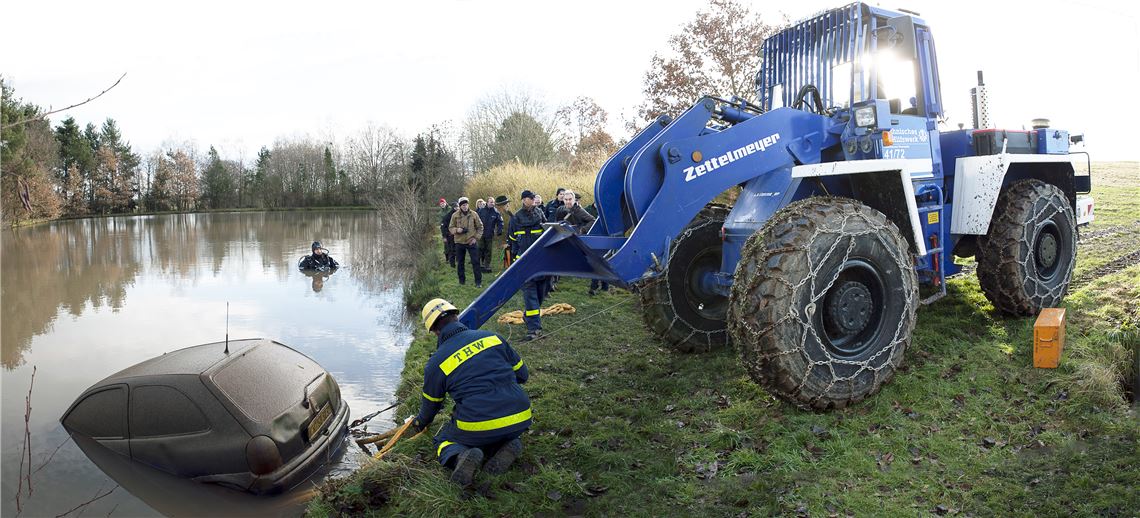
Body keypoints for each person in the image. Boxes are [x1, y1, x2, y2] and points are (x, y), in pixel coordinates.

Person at [414, 298, 531, 487]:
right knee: (495, 431)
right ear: (457, 316)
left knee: (442, 440)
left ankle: (460, 456)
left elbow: (431, 405)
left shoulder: (436, 363)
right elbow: (523, 375)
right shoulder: (493, 337)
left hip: (477, 422)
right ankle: (506, 444)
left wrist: (419, 423)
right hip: (521, 416)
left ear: (435, 331)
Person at [507, 190, 548, 341]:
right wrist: (514, 260)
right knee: (530, 295)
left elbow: (546, 234)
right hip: (523, 262)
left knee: (541, 292)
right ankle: (534, 328)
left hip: (540, 261)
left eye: (534, 197)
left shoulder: (540, 214)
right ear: (524, 200)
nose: (534, 199)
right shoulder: (516, 217)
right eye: (531, 198)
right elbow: (512, 238)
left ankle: (528, 316)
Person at [449, 197, 484, 287]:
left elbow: (480, 227)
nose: (465, 206)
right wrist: (457, 230)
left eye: (466, 204)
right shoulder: (455, 215)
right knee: (460, 262)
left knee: (476, 262)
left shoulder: (474, 214)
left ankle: (478, 282)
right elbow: (450, 228)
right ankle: (462, 281)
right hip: (459, 242)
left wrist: (476, 238)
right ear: (460, 206)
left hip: (471, 241)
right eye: (463, 205)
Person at [477, 197, 502, 274]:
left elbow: (500, 222)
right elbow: (476, 221)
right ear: (487, 202)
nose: (492, 203)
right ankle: (479, 264)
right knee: (480, 249)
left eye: (493, 202)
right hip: (481, 234)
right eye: (491, 202)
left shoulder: (496, 212)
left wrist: (499, 230)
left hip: (489, 234)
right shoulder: (481, 211)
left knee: (488, 250)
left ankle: (487, 265)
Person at [439, 198, 456, 267]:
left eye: (443, 203)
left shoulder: (450, 209)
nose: (442, 205)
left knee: (454, 244)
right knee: (446, 244)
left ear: (445, 203)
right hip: (445, 228)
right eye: (441, 204)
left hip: (452, 228)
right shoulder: (440, 213)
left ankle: (455, 258)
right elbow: (441, 222)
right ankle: (447, 259)